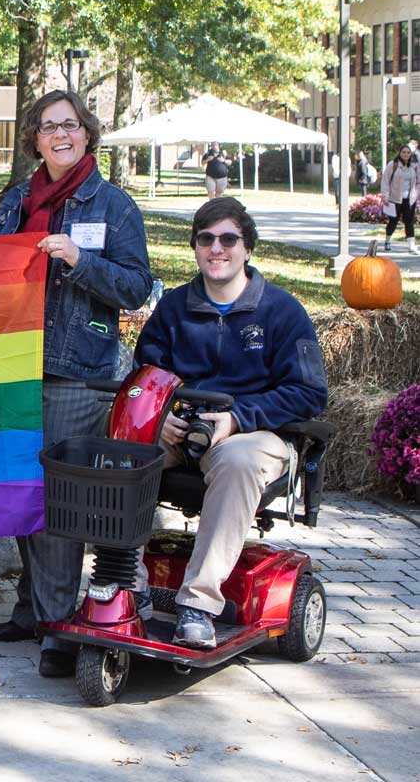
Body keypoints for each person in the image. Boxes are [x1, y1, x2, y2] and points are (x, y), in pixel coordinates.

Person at [0, 89, 152, 678]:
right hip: (12, 370)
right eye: (48, 126)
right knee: (22, 498)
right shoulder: (16, 202)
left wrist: (80, 260)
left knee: (55, 506)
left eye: (70, 125)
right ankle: (32, 610)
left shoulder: (113, 206)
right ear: (34, 138)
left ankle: (56, 628)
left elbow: (136, 289)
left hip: (77, 374)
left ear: (87, 134)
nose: (60, 135)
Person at [133, 198, 327, 647]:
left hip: (257, 435)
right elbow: (146, 377)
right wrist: (159, 417)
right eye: (206, 239)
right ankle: (128, 584)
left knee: (237, 460)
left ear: (247, 248)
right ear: (195, 248)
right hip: (182, 427)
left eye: (228, 239)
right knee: (127, 441)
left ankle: (198, 604)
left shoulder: (282, 312)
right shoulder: (174, 309)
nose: (216, 248)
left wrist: (240, 418)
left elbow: (309, 392)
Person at [381, 144, 419, 254]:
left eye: (408, 152)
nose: (406, 154)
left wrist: (416, 193)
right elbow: (386, 181)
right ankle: (388, 241)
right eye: (404, 152)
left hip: (409, 199)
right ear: (400, 153)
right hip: (395, 198)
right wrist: (385, 196)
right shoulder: (393, 165)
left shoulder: (414, 166)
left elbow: (418, 182)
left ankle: (411, 246)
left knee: (409, 222)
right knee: (393, 221)